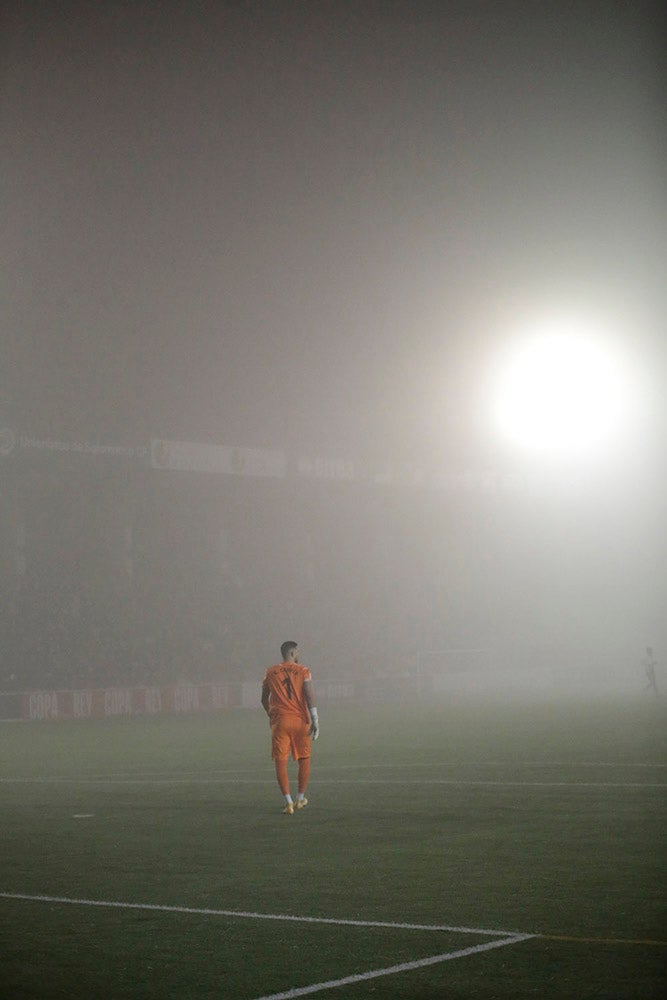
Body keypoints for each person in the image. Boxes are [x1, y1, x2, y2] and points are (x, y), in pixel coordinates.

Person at [261, 640, 319, 814]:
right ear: (293, 653)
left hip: (280, 722)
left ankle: (289, 803)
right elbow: (309, 695)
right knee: (304, 758)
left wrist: (270, 713)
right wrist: (315, 719)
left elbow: (264, 699)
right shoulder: (303, 671)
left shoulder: (270, 672)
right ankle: (301, 798)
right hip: (300, 721)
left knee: (281, 761)